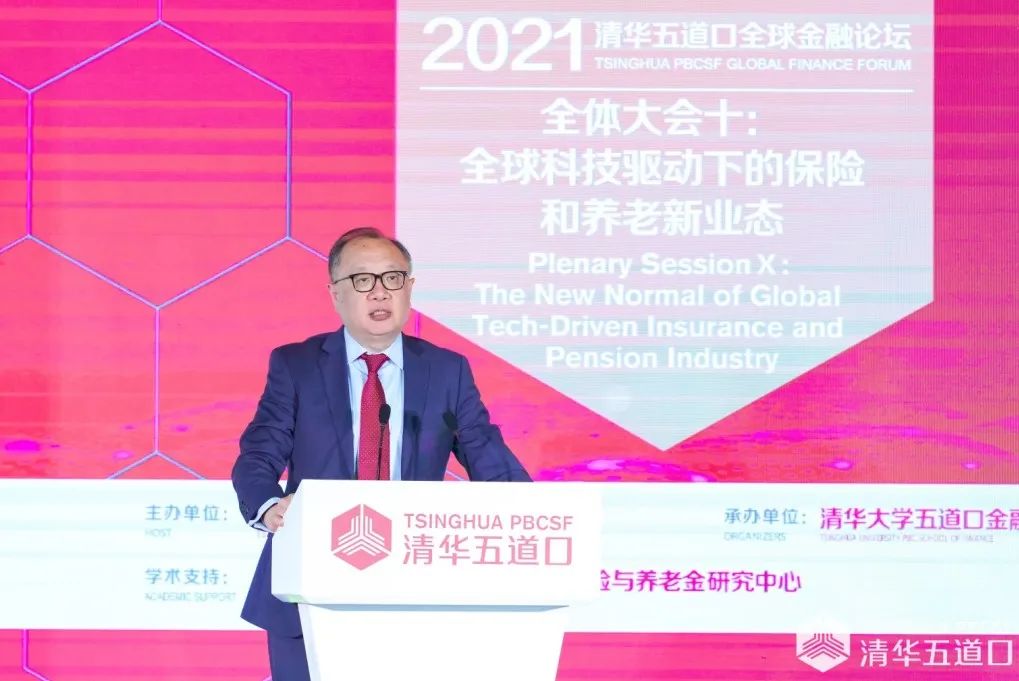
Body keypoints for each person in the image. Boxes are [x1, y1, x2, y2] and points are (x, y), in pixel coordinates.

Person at [231, 227, 531, 681]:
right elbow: (259, 452)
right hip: (308, 580)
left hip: (412, 585)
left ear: (410, 288)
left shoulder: (446, 370)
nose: (380, 292)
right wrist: (270, 505)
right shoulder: (296, 365)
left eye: (393, 278)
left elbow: (489, 458)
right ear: (335, 294)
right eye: (362, 280)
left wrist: (533, 515)